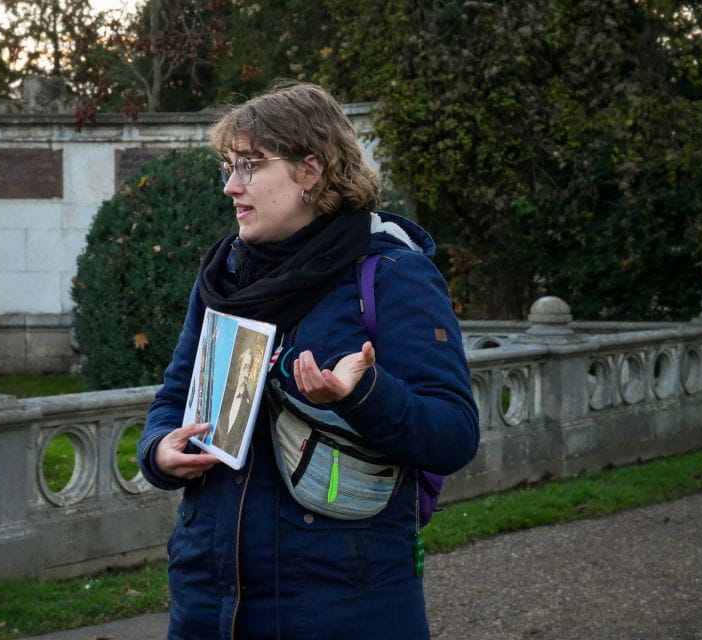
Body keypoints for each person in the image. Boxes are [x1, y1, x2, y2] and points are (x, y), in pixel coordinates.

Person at [138, 81, 479, 639]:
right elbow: (176, 396)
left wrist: (362, 396)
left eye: (249, 165)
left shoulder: (392, 274)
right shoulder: (224, 278)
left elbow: (454, 433)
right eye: (227, 166)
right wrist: (158, 451)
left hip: (344, 604)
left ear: (310, 170)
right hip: (209, 600)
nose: (230, 186)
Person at [211, 347, 255, 455]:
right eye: (244, 367)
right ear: (239, 368)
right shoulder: (223, 395)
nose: (246, 374)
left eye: (249, 369)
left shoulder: (249, 406)